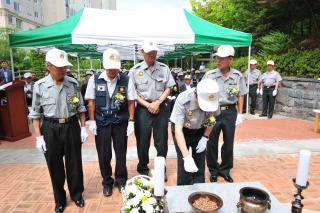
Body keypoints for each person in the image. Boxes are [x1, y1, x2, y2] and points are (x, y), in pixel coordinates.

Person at [28, 48, 88, 213]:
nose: (64, 70)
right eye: (59, 67)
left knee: (74, 163)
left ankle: (77, 195)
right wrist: (39, 137)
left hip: (71, 126)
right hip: (50, 128)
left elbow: (81, 108)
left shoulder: (73, 84)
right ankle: (60, 200)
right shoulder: (40, 86)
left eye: (65, 67)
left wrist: (83, 127)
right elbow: (35, 114)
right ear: (48, 66)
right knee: (55, 166)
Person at [85, 48, 136, 196]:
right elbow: (91, 101)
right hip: (101, 122)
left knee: (121, 153)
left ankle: (121, 180)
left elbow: (131, 101)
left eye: (115, 67)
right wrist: (92, 121)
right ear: (104, 65)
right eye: (110, 67)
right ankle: (107, 181)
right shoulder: (95, 79)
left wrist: (131, 121)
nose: (112, 70)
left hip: (120, 121)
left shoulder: (126, 80)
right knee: (104, 154)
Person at [129, 39, 175, 178]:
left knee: (161, 142)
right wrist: (149, 104)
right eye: (149, 52)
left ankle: (161, 169)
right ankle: (143, 168)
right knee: (142, 141)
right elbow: (133, 93)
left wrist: (158, 102)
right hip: (143, 109)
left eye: (154, 51)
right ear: (142, 52)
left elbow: (169, 87)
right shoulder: (135, 70)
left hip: (161, 107)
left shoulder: (163, 68)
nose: (152, 54)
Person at [202, 45, 247, 183]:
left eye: (222, 58)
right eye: (217, 58)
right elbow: (202, 93)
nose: (218, 61)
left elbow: (240, 95)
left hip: (229, 112)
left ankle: (225, 170)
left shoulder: (237, 76)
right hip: (213, 111)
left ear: (230, 60)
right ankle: (213, 170)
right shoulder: (210, 75)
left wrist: (240, 113)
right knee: (212, 142)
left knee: (228, 142)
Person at [170, 79, 219, 185]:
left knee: (200, 162)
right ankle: (183, 191)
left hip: (200, 131)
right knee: (184, 163)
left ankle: (199, 191)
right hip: (182, 131)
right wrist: (187, 157)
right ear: (196, 95)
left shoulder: (213, 97)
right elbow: (178, 131)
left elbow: (211, 119)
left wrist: (205, 137)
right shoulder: (183, 99)